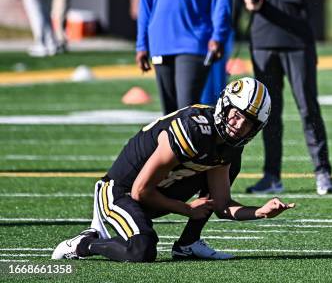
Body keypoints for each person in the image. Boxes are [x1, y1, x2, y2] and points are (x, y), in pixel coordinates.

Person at [52, 77, 296, 262]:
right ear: (225, 106)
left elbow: (221, 206)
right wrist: (186, 209)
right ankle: (85, 244)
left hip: (156, 193)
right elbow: (140, 191)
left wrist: (261, 212)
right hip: (120, 192)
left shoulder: (230, 148)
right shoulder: (193, 130)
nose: (239, 125)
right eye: (236, 115)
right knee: (142, 250)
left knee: (225, 169)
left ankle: (188, 244)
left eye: (248, 123)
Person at [242, 0, 332, 195]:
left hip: (297, 42)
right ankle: (272, 176)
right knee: (268, 113)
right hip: (262, 42)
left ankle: (323, 173)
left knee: (308, 108)